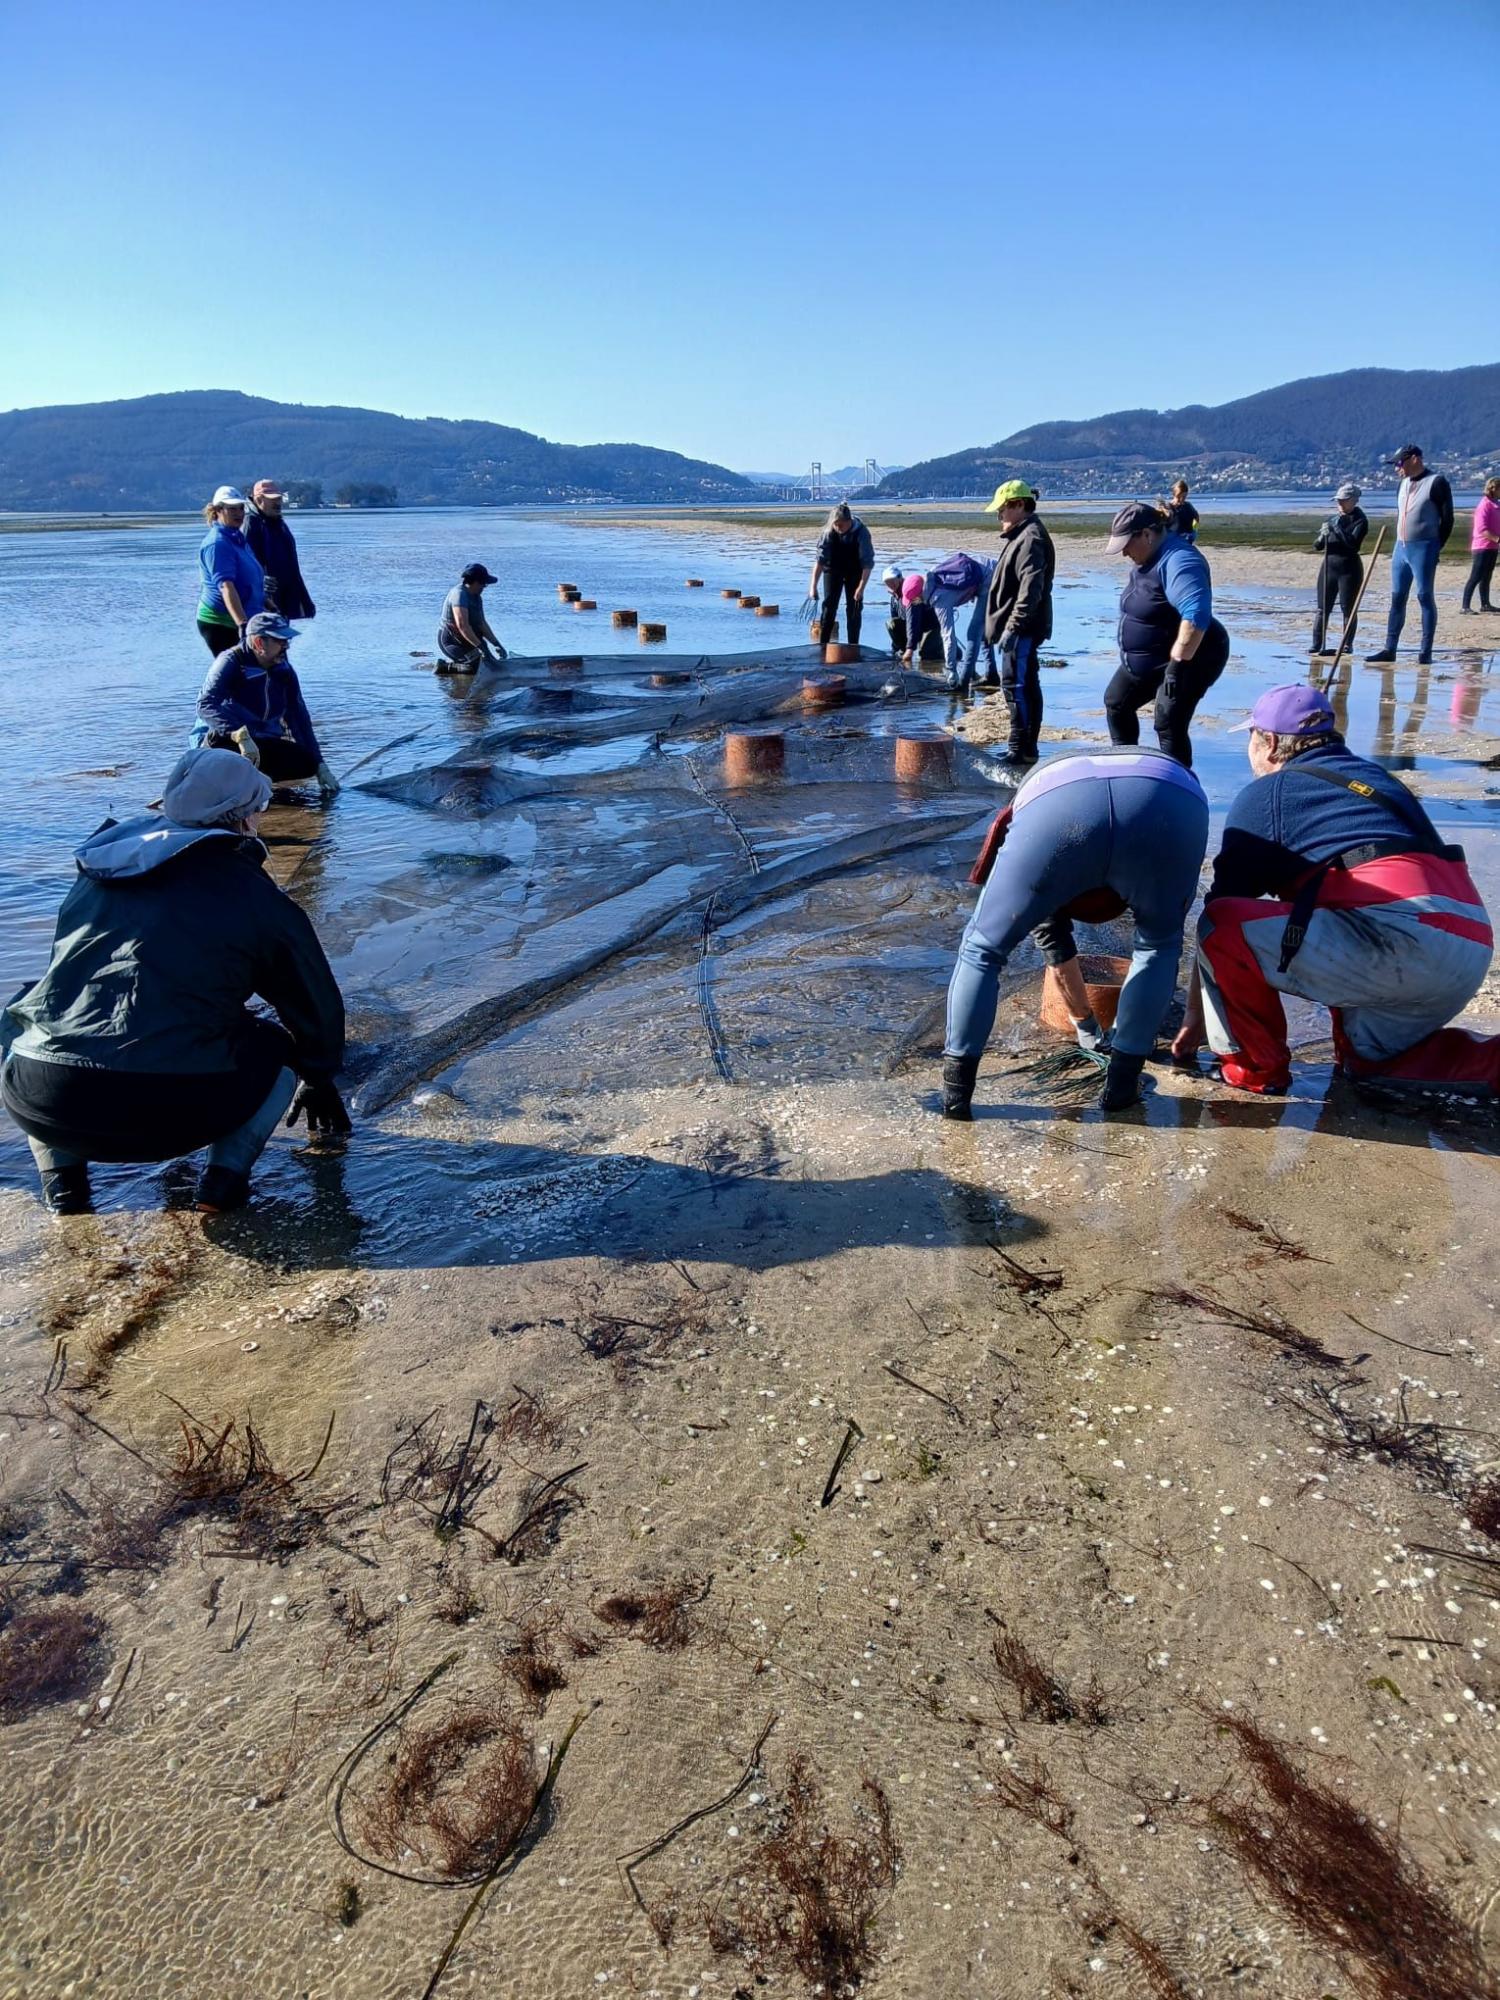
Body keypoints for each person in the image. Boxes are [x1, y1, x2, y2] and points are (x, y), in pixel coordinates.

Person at [1, 748, 349, 1216]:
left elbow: (66, 980)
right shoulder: (252, 893)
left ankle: (64, 1188)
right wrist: (319, 1077)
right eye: (260, 808)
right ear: (243, 817)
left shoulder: (96, 872)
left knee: (28, 1010)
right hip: (172, 1113)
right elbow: (315, 1003)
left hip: (41, 1098)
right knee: (277, 1046)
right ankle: (221, 1187)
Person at [1171, 684, 1497, 1096]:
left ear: (1269, 742)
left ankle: (1254, 1070)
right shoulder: (1376, 779)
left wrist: (1195, 1022)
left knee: (1223, 925)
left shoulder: (1267, 795)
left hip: (1402, 939)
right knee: (1370, 1064)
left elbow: (1219, 923)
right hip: (1469, 945)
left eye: (1251, 737)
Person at [941, 748, 1209, 1119]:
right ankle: (1121, 1088)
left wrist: (1085, 1025)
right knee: (1158, 947)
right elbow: (1061, 944)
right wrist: (1090, 1026)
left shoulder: (1039, 837)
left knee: (982, 951)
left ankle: (955, 1097)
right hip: (1170, 801)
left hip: (1060, 809)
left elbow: (1054, 945)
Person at [1103, 502, 1229, 768]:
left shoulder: (1179, 560)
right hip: (1150, 658)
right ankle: (1127, 770)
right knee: (1117, 702)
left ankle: (1178, 784)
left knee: (1168, 721)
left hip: (1192, 658)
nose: (1124, 552)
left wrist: (1176, 668)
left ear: (1147, 534)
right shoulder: (1148, 556)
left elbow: (1195, 616)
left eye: (1127, 543)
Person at [194, 612, 339, 791]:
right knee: (232, 765)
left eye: (287, 641)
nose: (286, 646)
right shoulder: (231, 662)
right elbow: (205, 705)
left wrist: (320, 765)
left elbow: (299, 718)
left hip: (263, 740)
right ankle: (232, 784)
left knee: (306, 763)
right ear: (259, 643)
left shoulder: (284, 670)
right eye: (280, 641)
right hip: (231, 741)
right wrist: (240, 735)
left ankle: (258, 784)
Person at [982, 480, 1056, 764]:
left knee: (1017, 687)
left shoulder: (1031, 538)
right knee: (1022, 685)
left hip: (1023, 629)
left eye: (1002, 509)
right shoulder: (1021, 535)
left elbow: (1031, 589)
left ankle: (1020, 749)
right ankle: (1025, 749)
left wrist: (1013, 628)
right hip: (1019, 628)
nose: (999, 515)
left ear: (1019, 505)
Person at [1367, 444, 1454, 666]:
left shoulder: (1436, 482)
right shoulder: (1402, 484)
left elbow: (1448, 519)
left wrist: (1436, 546)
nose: (1397, 468)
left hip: (1424, 547)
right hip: (1401, 547)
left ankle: (1425, 652)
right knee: (1397, 597)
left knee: (1424, 596)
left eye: (1399, 463)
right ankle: (1390, 648)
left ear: (1415, 459)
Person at [197, 486, 265, 656]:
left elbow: (250, 579)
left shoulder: (237, 538)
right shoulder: (218, 544)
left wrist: (267, 602)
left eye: (241, 508)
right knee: (240, 674)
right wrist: (242, 625)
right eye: (232, 509)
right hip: (221, 622)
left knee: (256, 674)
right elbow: (226, 587)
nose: (239, 513)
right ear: (218, 511)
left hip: (244, 616)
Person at [1310, 481, 1370, 658]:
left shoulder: (1360, 520)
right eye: (1338, 501)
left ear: (1354, 500)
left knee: (1348, 609)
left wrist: (1337, 528)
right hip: (1329, 566)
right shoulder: (1332, 520)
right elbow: (1317, 546)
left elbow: (1352, 544)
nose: (1340, 504)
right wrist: (1323, 535)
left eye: (1343, 500)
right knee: (1322, 608)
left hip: (1349, 568)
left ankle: (1346, 644)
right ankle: (1316, 643)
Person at [244, 479, 316, 621]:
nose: (278, 503)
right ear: (258, 499)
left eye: (278, 498)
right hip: (263, 600)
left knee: (281, 641)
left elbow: (291, 565)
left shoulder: (278, 524)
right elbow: (245, 562)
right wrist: (259, 582)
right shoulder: (250, 524)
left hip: (281, 598)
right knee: (265, 640)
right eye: (272, 499)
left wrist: (303, 599)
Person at [809, 503, 874, 649]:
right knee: (829, 606)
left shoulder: (861, 533)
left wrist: (861, 588)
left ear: (849, 521)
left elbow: (867, 563)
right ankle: (823, 646)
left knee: (854, 609)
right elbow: (820, 560)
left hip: (855, 570)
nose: (838, 528)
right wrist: (813, 586)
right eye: (835, 525)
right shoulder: (828, 533)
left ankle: (853, 646)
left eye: (841, 525)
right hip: (832, 569)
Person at [437, 563, 506, 672]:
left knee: (491, 663)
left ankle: (465, 660)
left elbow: (481, 623)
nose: (484, 587)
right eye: (483, 583)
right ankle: (445, 667)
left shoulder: (477, 597)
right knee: (477, 668)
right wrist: (481, 648)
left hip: (468, 639)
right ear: (475, 582)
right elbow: (463, 626)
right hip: (452, 641)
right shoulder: (459, 595)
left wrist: (496, 644)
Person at [1461, 476, 1500, 615]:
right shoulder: (1484, 505)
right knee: (1476, 575)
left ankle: (1485, 604)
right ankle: (1465, 606)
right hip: (1482, 546)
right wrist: (1497, 539)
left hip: (1492, 547)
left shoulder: (1496, 504)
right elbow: (1482, 529)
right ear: (1493, 489)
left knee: (1487, 575)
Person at [881, 566, 908, 657]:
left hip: (924, 627)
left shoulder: (909, 592)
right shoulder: (894, 598)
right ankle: (900, 649)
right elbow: (895, 620)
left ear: (900, 578)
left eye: (893, 580)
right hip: (907, 627)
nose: (890, 584)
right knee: (891, 623)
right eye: (887, 582)